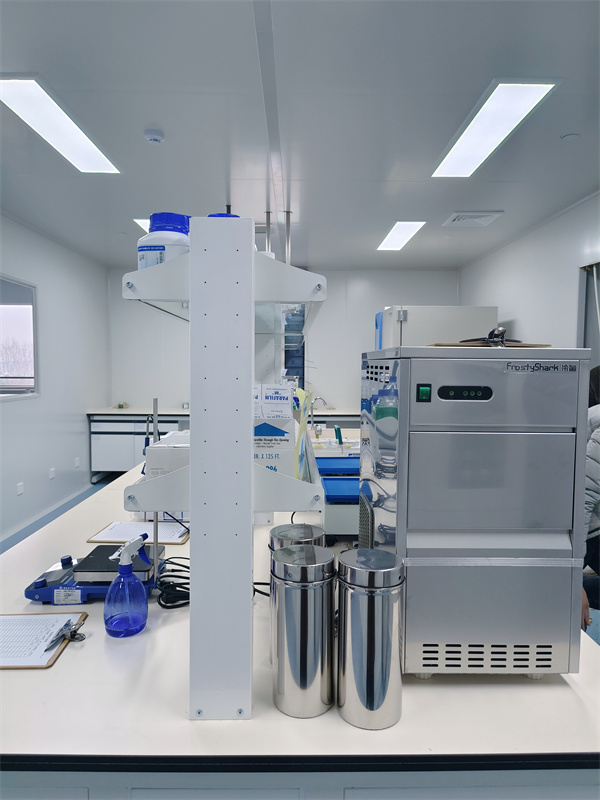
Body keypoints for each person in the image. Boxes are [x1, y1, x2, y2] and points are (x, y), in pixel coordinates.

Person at [582, 403, 600, 629]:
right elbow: (583, 498)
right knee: (572, 599)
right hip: (583, 528)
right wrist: (571, 583)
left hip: (593, 521)